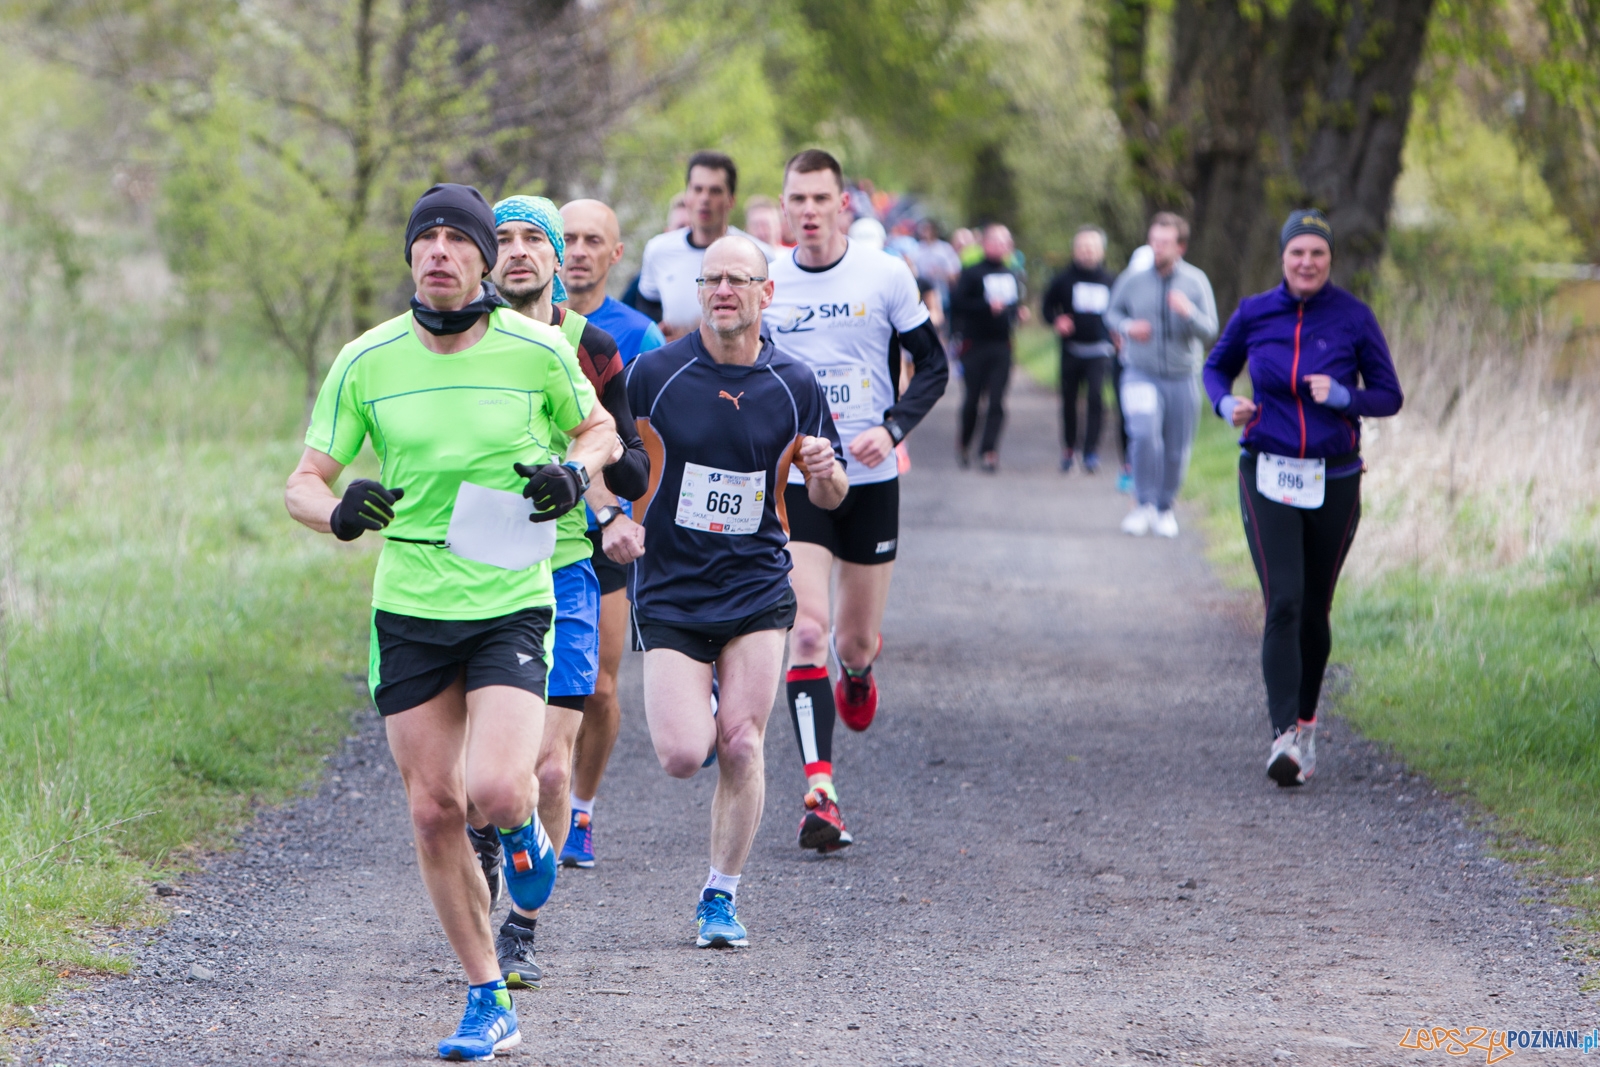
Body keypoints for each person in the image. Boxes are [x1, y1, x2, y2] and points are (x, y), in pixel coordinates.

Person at [286, 183, 616, 1060]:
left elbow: (601, 431)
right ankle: (486, 995)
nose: (437, 250)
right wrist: (341, 509)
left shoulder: (537, 348)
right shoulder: (367, 359)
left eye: (454, 238)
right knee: (434, 810)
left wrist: (574, 474)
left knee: (500, 788)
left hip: (509, 586)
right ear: (410, 257)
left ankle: (523, 832)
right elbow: (302, 482)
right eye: (422, 237)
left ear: (480, 259)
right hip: (410, 602)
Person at [626, 235, 848, 946]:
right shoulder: (653, 375)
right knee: (683, 754)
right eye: (711, 279)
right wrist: (608, 521)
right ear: (698, 290)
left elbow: (834, 492)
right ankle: (708, 697)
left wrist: (821, 468)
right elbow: (609, 460)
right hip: (671, 586)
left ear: (765, 293)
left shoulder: (795, 382)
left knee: (743, 743)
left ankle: (720, 897)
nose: (723, 290)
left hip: (756, 584)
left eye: (738, 279)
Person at [455, 195, 649, 990]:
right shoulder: (461, 338)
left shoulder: (591, 345)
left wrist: (590, 479)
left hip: (564, 566)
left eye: (535, 237)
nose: (522, 251)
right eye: (503, 239)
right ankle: (492, 847)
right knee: (480, 776)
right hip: (475, 566)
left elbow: (633, 456)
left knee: (549, 768)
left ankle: (524, 931)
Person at [765, 149, 949, 851]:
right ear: (784, 208)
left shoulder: (885, 275)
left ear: (843, 205)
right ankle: (821, 790)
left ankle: (862, 668)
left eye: (820, 198)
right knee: (806, 630)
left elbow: (933, 364)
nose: (807, 211)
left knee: (852, 638)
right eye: (796, 200)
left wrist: (892, 427)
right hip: (798, 478)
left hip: (870, 480)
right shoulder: (769, 281)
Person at [1203, 209, 1403, 787]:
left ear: (1330, 259)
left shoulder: (1353, 318)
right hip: (1266, 471)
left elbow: (1389, 395)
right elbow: (1216, 370)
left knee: (1315, 607)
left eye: (1317, 253)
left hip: (1333, 476)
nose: (1307, 262)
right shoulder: (1254, 312)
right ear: (1283, 258)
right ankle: (1283, 736)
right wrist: (1224, 404)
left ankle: (1308, 724)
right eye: (1298, 253)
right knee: (1284, 599)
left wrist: (1344, 395)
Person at [555, 197, 663, 869]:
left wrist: (633, 518)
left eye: (593, 239)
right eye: (566, 237)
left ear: (616, 253)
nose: (578, 250)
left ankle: (581, 808)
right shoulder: (507, 324)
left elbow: (646, 444)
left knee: (598, 683)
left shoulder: (637, 335)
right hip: (542, 514)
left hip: (610, 524)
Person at [1104, 213, 1218, 536]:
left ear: (1180, 246)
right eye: (1154, 240)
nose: (1157, 247)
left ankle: (1165, 507)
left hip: (1182, 376)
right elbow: (1111, 313)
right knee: (1143, 434)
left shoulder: (1195, 282)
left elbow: (1210, 329)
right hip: (1140, 372)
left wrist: (1189, 313)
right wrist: (1128, 327)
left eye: (1165, 242)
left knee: (1175, 448)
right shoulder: (1134, 279)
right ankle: (1142, 504)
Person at [636, 152, 773, 341]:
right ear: (687, 196)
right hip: (678, 364)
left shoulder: (758, 253)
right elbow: (646, 309)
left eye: (715, 191)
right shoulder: (658, 250)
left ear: (731, 199)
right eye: (698, 189)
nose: (705, 199)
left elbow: (772, 322)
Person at [949, 224, 1028, 472]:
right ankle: (964, 443)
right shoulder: (972, 272)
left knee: (997, 401)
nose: (1002, 246)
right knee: (972, 400)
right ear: (985, 243)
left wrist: (1019, 313)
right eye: (997, 241)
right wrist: (986, 307)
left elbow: (1013, 305)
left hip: (1002, 345)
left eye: (1006, 242)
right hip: (974, 345)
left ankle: (989, 451)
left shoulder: (1012, 273)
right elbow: (958, 304)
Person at [1042, 226, 1117, 474]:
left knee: (1096, 399)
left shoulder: (1111, 280)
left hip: (1100, 350)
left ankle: (1091, 451)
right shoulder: (1063, 279)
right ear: (1075, 251)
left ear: (1100, 251)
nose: (1086, 252)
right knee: (1069, 400)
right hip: (1072, 350)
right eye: (1082, 248)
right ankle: (1069, 448)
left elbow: (1120, 312)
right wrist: (1057, 321)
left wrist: (1118, 334)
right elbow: (1046, 308)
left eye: (1091, 248)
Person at [910, 218, 962, 313]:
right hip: (923, 296)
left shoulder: (945, 249)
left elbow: (955, 273)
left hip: (943, 295)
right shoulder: (916, 249)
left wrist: (940, 272)